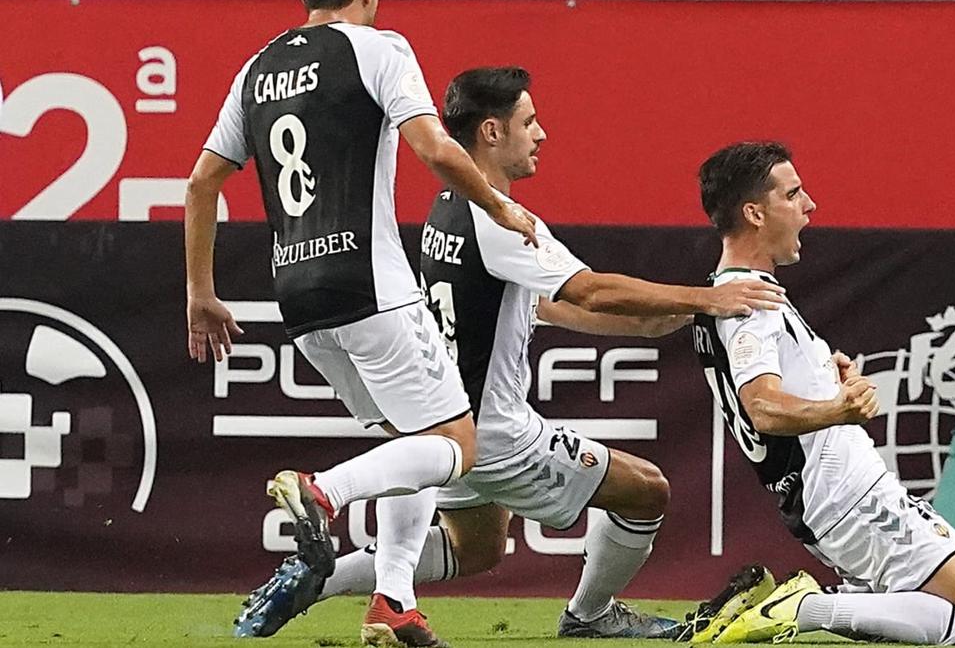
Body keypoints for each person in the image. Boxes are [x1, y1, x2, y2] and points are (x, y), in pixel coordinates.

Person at [234, 68, 788, 641]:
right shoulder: (499, 219)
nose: (541, 134)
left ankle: (315, 583)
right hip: (496, 432)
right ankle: (590, 614)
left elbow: (544, 304)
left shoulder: (445, 208)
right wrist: (708, 297)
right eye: (529, 122)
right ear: (492, 133)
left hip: (442, 420)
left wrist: (662, 317)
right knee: (647, 491)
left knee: (478, 547)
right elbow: (589, 289)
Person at [184, 0, 543, 646]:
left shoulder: (257, 69)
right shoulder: (378, 47)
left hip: (299, 297)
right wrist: (497, 208)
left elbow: (202, 183)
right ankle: (322, 491)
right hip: (370, 285)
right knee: (454, 447)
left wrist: (202, 290)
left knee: (409, 442)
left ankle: (392, 601)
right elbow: (434, 148)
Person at [686, 142, 955, 645]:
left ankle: (784, 605)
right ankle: (805, 606)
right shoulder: (751, 301)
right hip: (849, 496)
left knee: (938, 621)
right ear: (755, 212)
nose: (810, 204)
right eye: (793, 194)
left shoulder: (733, 292)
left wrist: (826, 377)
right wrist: (837, 407)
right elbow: (763, 407)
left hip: (827, 499)